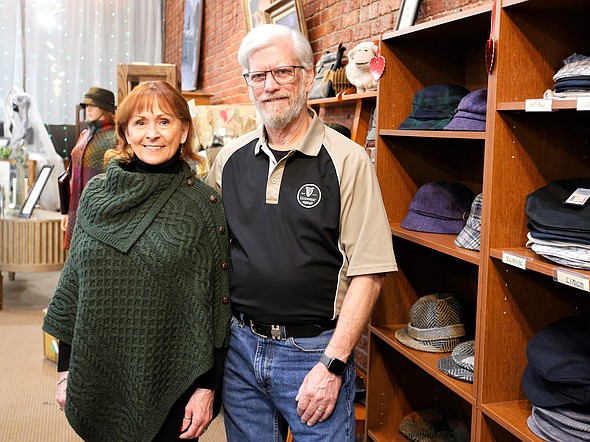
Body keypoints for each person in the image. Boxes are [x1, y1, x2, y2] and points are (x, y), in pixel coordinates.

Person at [206, 24, 397, 441]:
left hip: (313, 355)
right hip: (241, 348)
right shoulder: (229, 161)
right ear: (249, 85)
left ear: (308, 77)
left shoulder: (347, 161)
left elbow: (370, 271)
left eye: (283, 73)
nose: (270, 86)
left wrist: (334, 364)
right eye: (259, 76)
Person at [43, 81, 231, 442]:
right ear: (125, 133)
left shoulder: (203, 205)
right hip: (100, 368)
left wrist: (208, 388)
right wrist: (67, 370)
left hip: (174, 374)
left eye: (164, 121)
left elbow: (215, 303)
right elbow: (75, 286)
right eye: (140, 123)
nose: (152, 134)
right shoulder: (97, 195)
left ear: (184, 131)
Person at [62, 86, 117, 249]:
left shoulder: (115, 138)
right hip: (76, 208)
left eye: (93, 105)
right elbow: (71, 175)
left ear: (105, 108)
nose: (88, 109)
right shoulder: (84, 135)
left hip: (101, 211)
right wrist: (65, 210)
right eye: (87, 105)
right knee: (76, 255)